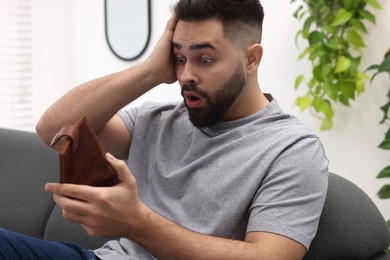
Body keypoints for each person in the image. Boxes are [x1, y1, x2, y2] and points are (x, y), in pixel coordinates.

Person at [0, 0, 328, 259]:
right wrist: (151, 71)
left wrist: (137, 223)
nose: (185, 75)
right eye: (179, 58)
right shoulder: (158, 119)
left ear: (251, 59)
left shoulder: (293, 148)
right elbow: (53, 129)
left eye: (204, 59)